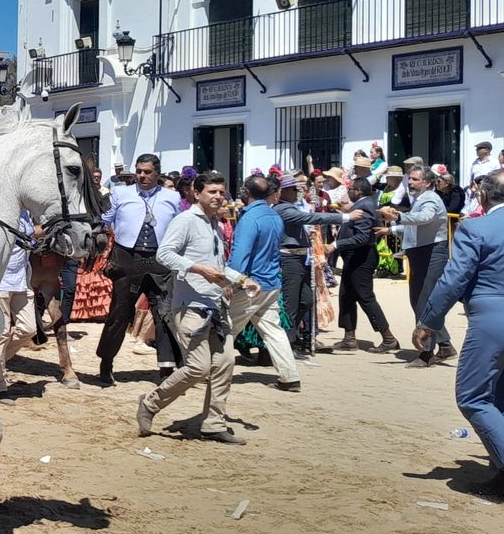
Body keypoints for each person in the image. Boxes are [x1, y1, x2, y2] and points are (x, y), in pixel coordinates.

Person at [413, 170, 504, 503]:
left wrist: (428, 321)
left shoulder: (475, 227)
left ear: (483, 196)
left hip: (492, 320)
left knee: (472, 397)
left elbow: (453, 279)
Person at [137, 171, 255, 444]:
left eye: (221, 192)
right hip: (189, 306)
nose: (218, 197)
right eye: (212, 192)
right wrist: (197, 269)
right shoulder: (185, 220)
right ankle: (151, 403)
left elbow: (218, 267)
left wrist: (242, 280)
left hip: (215, 306)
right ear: (197, 193)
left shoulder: (215, 225)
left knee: (225, 363)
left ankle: (214, 424)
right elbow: (164, 254)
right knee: (198, 368)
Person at [94, 153, 181, 386]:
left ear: (157, 173)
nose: (142, 176)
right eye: (139, 171)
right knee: (119, 311)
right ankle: (106, 363)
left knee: (164, 313)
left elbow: (180, 226)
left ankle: (166, 368)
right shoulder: (120, 193)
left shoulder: (172, 197)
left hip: (160, 259)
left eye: (147, 172)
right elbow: (105, 220)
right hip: (127, 257)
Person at [226, 174, 302, 391]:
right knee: (274, 331)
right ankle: (290, 377)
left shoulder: (250, 219)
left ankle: (210, 371)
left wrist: (231, 282)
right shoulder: (274, 216)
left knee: (225, 328)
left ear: (246, 192)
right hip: (271, 283)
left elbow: (240, 255)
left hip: (250, 285)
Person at [272, 174, 357, 356]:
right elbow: (312, 217)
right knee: (290, 305)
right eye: (294, 189)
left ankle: (291, 336)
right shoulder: (283, 209)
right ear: (283, 192)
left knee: (306, 300)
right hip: (289, 260)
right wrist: (346, 217)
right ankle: (287, 346)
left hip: (301, 259)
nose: (298, 192)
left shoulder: (291, 207)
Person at [378, 166, 453, 365]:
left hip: (430, 254)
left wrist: (398, 217)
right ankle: (445, 345)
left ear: (427, 183)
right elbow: (416, 226)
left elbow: (424, 218)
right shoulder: (420, 199)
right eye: (409, 179)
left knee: (422, 301)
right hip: (421, 253)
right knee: (421, 301)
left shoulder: (430, 199)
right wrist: (391, 230)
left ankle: (426, 353)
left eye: (414, 179)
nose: (410, 182)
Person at [324, 178, 397, 352]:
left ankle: (388, 338)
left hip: (361, 258)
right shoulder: (363, 204)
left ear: (357, 191)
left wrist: (336, 245)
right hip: (354, 258)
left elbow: (363, 237)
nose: (348, 192)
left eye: (350, 189)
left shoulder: (365, 206)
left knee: (365, 297)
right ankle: (349, 337)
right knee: (346, 296)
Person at [0, 212, 37, 398]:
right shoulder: (4, 210)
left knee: (29, 328)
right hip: (2, 281)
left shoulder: (27, 214)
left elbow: (32, 234)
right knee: (2, 333)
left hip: (22, 280)